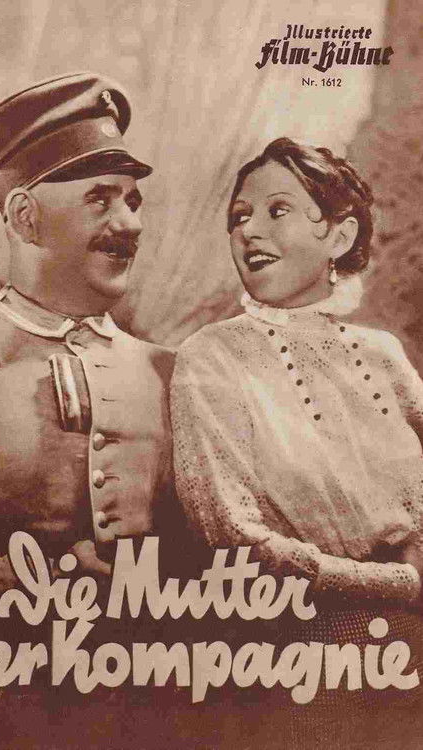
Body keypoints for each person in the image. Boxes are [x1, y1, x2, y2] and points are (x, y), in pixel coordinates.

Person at [0, 73, 179, 681]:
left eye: (133, 201)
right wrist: (10, 578)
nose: (131, 224)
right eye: (101, 199)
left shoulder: (172, 373)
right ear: (25, 217)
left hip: (161, 694)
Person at [171, 137, 423, 748]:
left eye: (276, 210)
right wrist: (400, 584)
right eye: (239, 217)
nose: (249, 231)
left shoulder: (383, 355)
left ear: (338, 236)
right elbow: (231, 534)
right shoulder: (210, 357)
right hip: (301, 650)